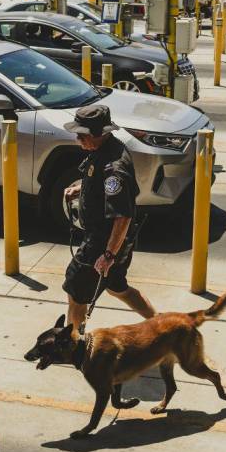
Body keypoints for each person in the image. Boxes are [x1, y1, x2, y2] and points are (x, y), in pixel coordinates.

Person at [61, 105, 156, 332]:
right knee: (116, 287)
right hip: (113, 241)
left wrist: (108, 255)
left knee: (76, 292)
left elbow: (122, 216)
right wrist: (81, 187)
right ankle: (160, 325)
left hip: (102, 243)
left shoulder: (115, 168)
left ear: (99, 133)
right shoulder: (104, 150)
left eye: (82, 135)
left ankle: (71, 343)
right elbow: (98, 181)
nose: (77, 139)